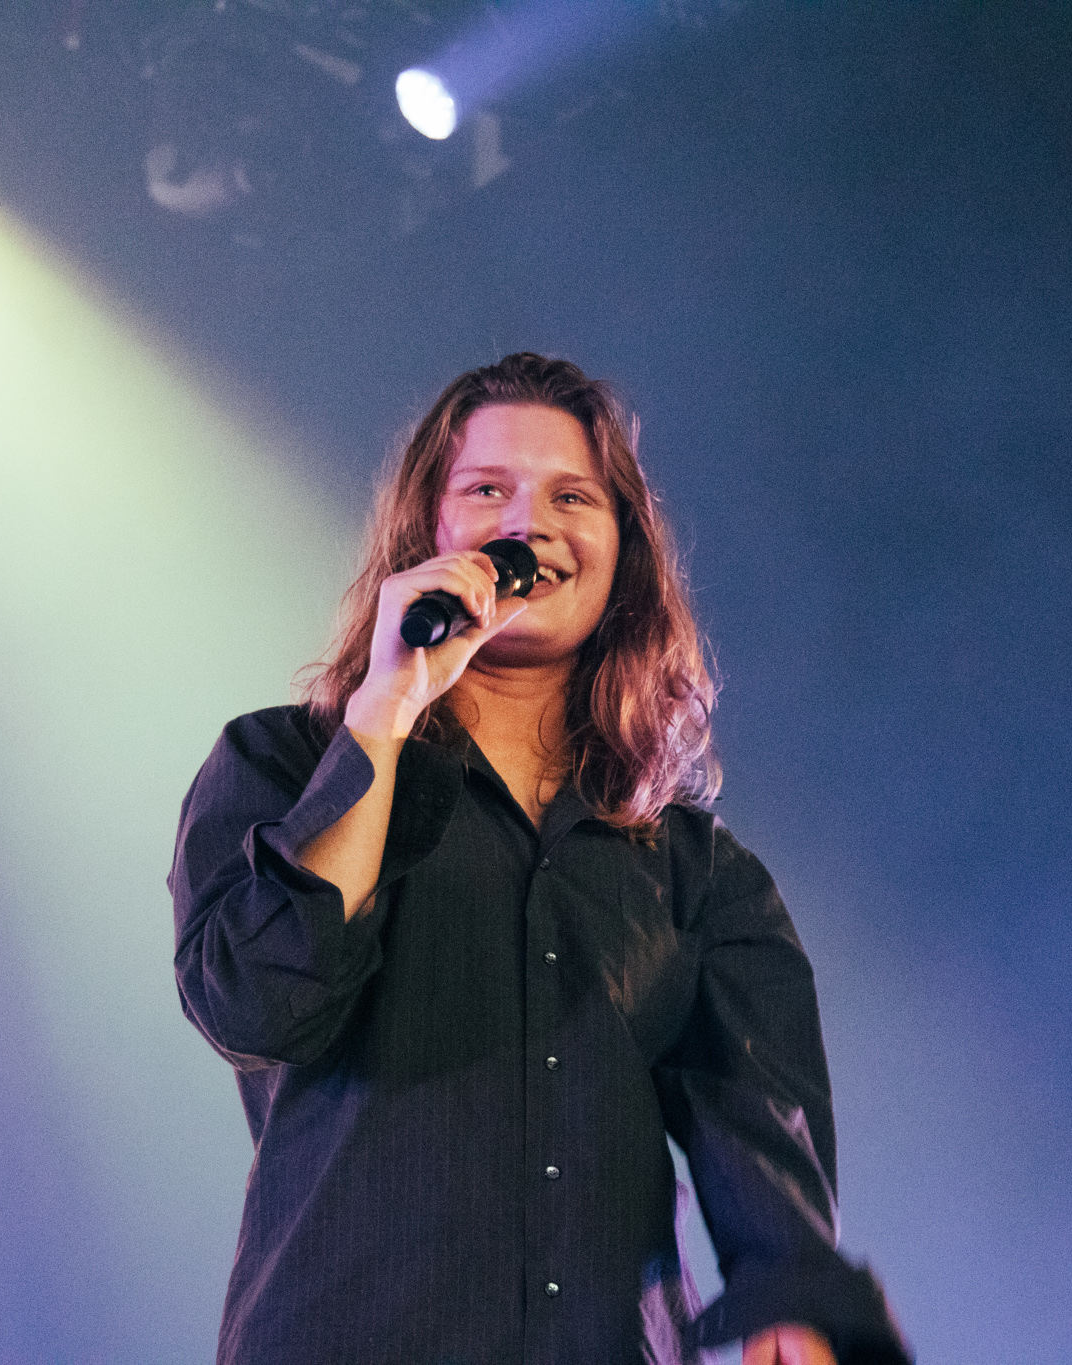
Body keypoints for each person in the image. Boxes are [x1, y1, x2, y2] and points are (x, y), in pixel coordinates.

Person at [169, 353, 909, 1365]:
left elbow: (758, 1128)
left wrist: (793, 1303)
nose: (532, 525)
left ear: (622, 550)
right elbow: (257, 1006)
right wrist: (383, 712)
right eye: (487, 491)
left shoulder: (693, 868)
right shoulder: (278, 765)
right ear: (424, 530)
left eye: (572, 495)